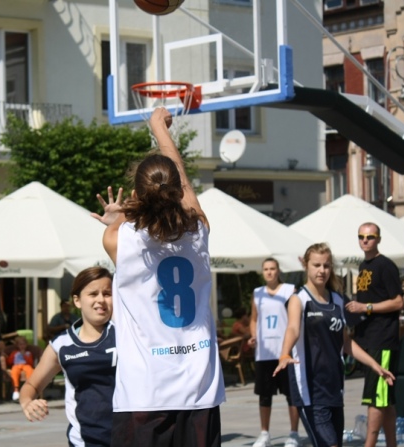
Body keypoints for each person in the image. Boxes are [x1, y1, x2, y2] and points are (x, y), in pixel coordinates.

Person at [94, 107, 225, 447]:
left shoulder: (118, 237)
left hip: (144, 391)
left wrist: (119, 214)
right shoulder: (199, 230)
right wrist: (160, 129)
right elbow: (184, 187)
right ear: (177, 193)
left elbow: (135, 217)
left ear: (137, 195)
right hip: (199, 389)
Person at [274, 243, 395, 447]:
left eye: (326, 265)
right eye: (316, 265)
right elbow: (293, 329)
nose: (322, 270)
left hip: (334, 389)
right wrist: (285, 353)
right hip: (310, 390)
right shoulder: (299, 299)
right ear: (306, 265)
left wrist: (375, 365)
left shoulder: (337, 300)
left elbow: (346, 342)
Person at [20, 266, 115, 447]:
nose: (101, 300)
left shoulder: (126, 334)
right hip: (84, 441)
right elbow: (31, 385)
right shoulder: (61, 345)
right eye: (93, 294)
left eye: (107, 294)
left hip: (130, 436)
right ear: (77, 300)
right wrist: (27, 403)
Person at [345, 222, 404, 447]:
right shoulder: (363, 266)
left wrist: (366, 307)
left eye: (370, 237)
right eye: (361, 236)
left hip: (383, 339)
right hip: (367, 338)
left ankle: (369, 444)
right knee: (384, 399)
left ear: (378, 239)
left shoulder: (385, 266)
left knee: (375, 398)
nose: (365, 240)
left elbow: (398, 302)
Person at [248, 258, 299, 447]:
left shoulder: (289, 290)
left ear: (278, 271)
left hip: (285, 352)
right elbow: (254, 319)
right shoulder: (257, 293)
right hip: (264, 352)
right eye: (266, 269)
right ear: (262, 272)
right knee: (264, 395)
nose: (269, 272)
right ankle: (264, 434)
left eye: (272, 268)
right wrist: (254, 335)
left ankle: (294, 433)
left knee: (291, 395)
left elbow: (296, 318)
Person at [7, 336, 35, 401]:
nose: (22, 346)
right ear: (17, 345)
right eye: (20, 344)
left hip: (26, 365)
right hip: (16, 365)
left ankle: (29, 388)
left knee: (30, 371)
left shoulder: (28, 353)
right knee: (14, 372)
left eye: (24, 344)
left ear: (26, 345)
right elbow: (9, 362)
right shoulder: (14, 353)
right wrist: (10, 358)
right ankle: (16, 390)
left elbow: (31, 363)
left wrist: (25, 356)